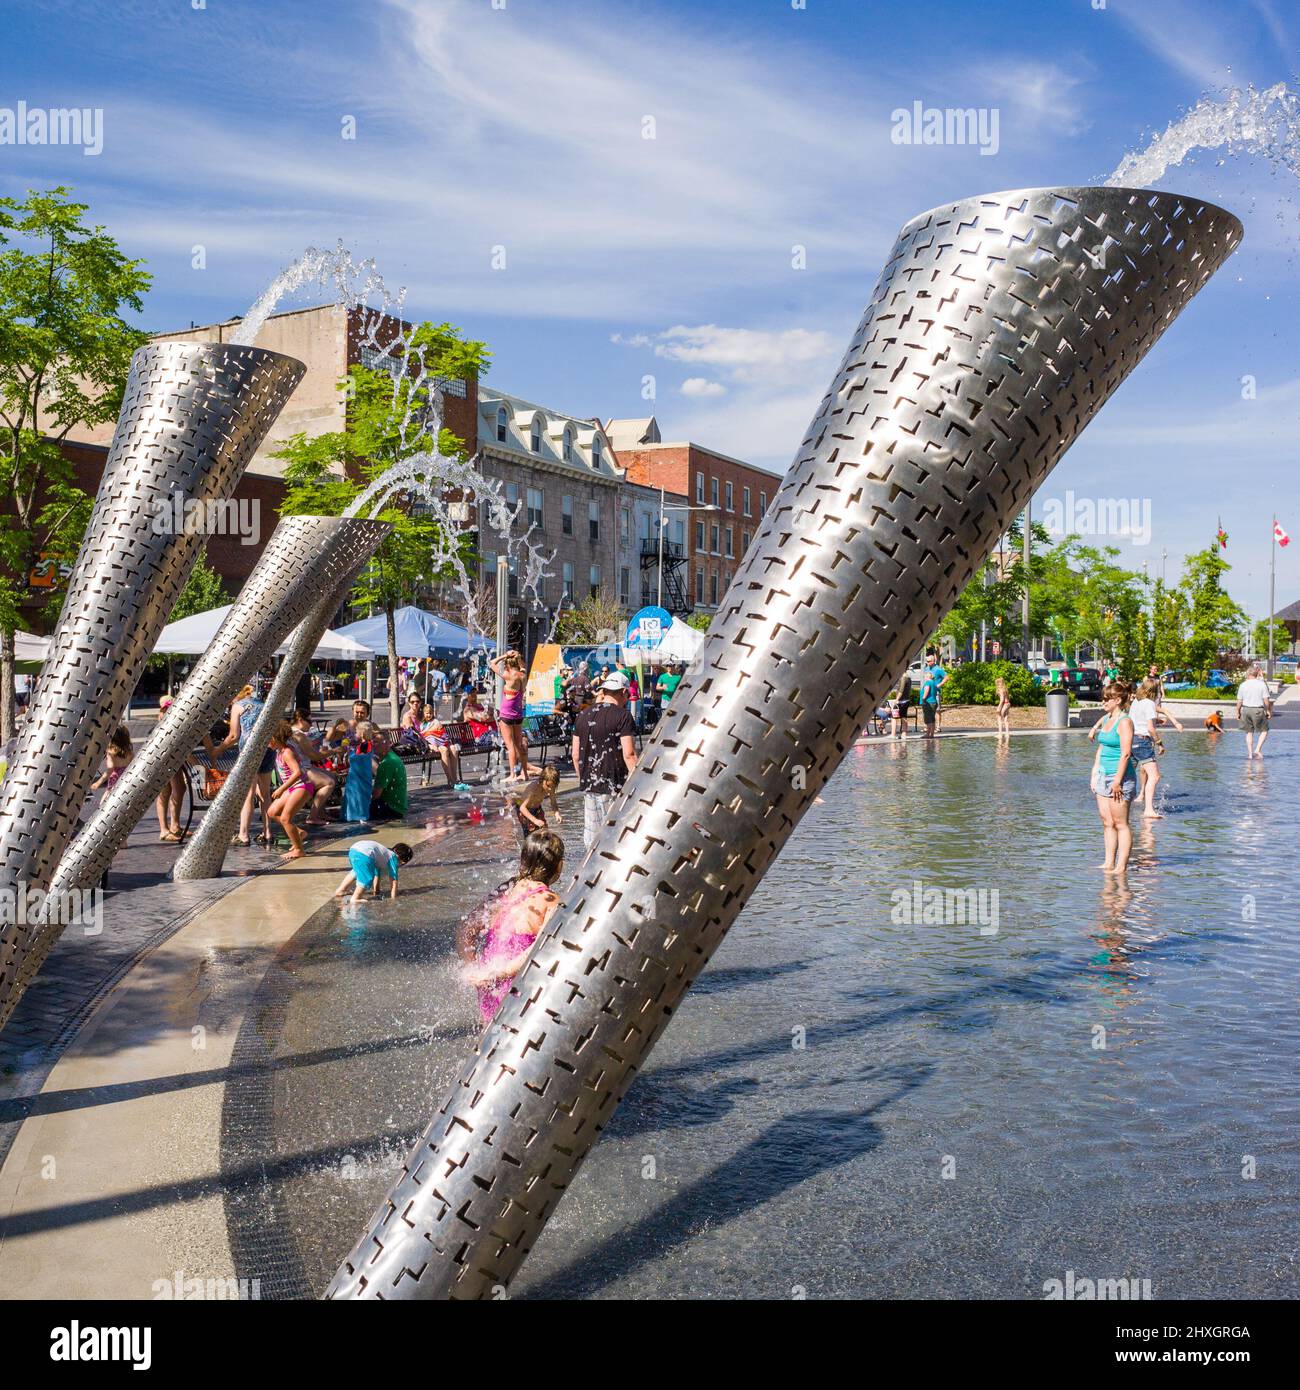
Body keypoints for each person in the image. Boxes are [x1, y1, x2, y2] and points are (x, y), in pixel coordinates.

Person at [460, 830, 565, 1028]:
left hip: (488, 984)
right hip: (517, 984)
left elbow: (466, 929)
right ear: (559, 866)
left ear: (523, 860)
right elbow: (537, 950)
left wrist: (475, 969)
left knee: (489, 1039)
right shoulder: (551, 902)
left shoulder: (506, 889)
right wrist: (498, 973)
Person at [572, 670, 638, 848]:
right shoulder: (623, 716)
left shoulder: (583, 715)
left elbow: (575, 755)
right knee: (616, 837)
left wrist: (584, 779)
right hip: (614, 785)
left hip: (589, 785)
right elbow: (629, 755)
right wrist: (637, 785)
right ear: (624, 692)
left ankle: (589, 872)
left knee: (592, 839)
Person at [215, 684, 274, 847]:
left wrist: (218, 749)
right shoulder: (264, 705)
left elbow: (233, 735)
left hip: (249, 750)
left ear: (237, 695)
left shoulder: (238, 706)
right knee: (265, 793)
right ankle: (268, 831)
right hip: (268, 748)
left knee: (248, 793)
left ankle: (243, 834)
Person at [1088, 679, 1137, 874]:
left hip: (1120, 777)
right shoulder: (1107, 719)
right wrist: (1094, 772)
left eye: (1107, 699)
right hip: (1102, 775)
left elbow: (1125, 754)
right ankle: (1109, 862)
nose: (1104, 702)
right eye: (1103, 699)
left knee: (1120, 823)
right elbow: (1102, 747)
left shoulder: (1124, 721)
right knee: (1107, 822)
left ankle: (1121, 866)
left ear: (1117, 700)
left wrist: (1117, 781)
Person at [1129, 677, 1183, 819]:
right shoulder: (1149, 703)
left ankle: (1122, 802)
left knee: (1128, 774)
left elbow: (1136, 720)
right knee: (1155, 776)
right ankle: (1148, 810)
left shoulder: (1136, 701)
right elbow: (1151, 729)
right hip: (1143, 741)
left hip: (1132, 740)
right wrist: (1159, 743)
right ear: (1155, 691)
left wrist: (1155, 720)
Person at [267, 721, 314, 858]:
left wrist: (281, 789)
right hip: (294, 787)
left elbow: (297, 772)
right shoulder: (279, 751)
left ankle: (299, 850)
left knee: (286, 819)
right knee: (272, 812)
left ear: (275, 739)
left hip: (302, 786)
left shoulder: (287, 752)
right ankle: (298, 832)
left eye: (268, 738)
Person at [489, 649, 531, 782]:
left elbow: (492, 663)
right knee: (519, 744)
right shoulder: (522, 675)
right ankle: (524, 773)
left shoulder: (508, 675)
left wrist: (504, 655)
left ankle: (513, 775)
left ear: (507, 664)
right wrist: (518, 657)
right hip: (518, 714)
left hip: (506, 714)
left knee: (510, 746)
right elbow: (524, 666)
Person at [290, 709, 336, 826]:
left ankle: (321, 811)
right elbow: (314, 756)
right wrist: (334, 751)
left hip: (298, 768)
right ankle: (313, 816)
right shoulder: (299, 735)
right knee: (329, 782)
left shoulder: (291, 732)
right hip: (301, 770)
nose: (311, 725)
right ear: (300, 720)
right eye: (309, 721)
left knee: (331, 775)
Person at [334, 838, 413, 904]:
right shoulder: (393, 859)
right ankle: (355, 898)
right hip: (365, 854)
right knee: (366, 878)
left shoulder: (383, 856)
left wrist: (376, 891)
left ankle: (341, 890)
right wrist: (394, 899)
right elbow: (394, 882)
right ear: (402, 861)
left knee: (356, 872)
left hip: (354, 849)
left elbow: (377, 874)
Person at [420, 703, 464, 788]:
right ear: (424, 714)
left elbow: (441, 733)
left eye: (430, 713)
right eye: (427, 713)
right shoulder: (422, 724)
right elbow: (424, 736)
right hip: (433, 745)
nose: (429, 715)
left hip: (441, 742)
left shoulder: (435, 721)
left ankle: (454, 778)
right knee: (445, 750)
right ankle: (450, 779)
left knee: (454, 749)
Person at [1235, 663, 1272, 759]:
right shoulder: (1261, 684)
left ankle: (1250, 754)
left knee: (1249, 732)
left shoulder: (1243, 685)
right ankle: (1258, 749)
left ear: (1248, 674)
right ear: (1256, 674)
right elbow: (1266, 701)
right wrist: (1267, 710)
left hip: (1246, 710)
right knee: (1264, 730)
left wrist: (1238, 712)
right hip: (1258, 710)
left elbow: (1239, 701)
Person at [342, 720, 376, 823]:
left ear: (362, 733)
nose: (355, 733)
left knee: (357, 795)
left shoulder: (365, 745)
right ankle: (353, 814)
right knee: (357, 795)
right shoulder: (365, 744)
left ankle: (358, 815)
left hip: (359, 776)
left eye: (357, 731)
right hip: (361, 775)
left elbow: (359, 758)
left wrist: (349, 753)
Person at [370, 732, 409, 820]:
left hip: (390, 809)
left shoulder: (387, 763)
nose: (375, 745)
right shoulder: (393, 757)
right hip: (399, 807)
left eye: (379, 742)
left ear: (388, 743)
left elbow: (376, 794)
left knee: (357, 813)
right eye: (374, 742)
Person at [515, 762, 562, 835]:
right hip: (524, 811)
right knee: (531, 834)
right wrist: (535, 820)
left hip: (537, 809)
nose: (550, 789)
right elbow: (522, 807)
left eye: (553, 786)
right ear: (542, 780)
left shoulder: (550, 788)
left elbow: (553, 802)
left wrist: (557, 813)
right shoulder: (533, 788)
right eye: (548, 785)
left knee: (545, 831)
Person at [90, 725, 133, 794]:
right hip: (126, 779)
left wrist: (98, 783)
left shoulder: (111, 754)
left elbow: (110, 770)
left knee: (106, 800)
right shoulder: (129, 752)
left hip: (115, 780)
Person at [918, 663, 941, 740]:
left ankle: (928, 733)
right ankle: (932, 734)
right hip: (934, 702)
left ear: (927, 677)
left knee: (928, 718)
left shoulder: (928, 682)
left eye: (925, 676)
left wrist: (923, 699)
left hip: (928, 702)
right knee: (932, 718)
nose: (924, 677)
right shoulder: (934, 683)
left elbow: (926, 690)